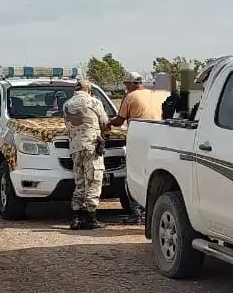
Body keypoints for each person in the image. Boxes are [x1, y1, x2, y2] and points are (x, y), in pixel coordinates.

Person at [109, 72, 166, 224]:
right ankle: (150, 212)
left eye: (127, 84)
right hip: (157, 139)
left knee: (133, 176)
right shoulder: (154, 95)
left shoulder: (130, 97)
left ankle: (137, 213)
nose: (126, 87)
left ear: (133, 84)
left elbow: (119, 122)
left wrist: (106, 122)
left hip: (138, 140)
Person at [62, 77, 110, 230]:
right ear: (89, 90)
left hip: (75, 147)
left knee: (80, 180)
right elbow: (104, 122)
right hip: (91, 146)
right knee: (94, 179)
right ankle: (90, 216)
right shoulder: (94, 102)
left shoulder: (66, 104)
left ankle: (75, 217)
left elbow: (68, 125)